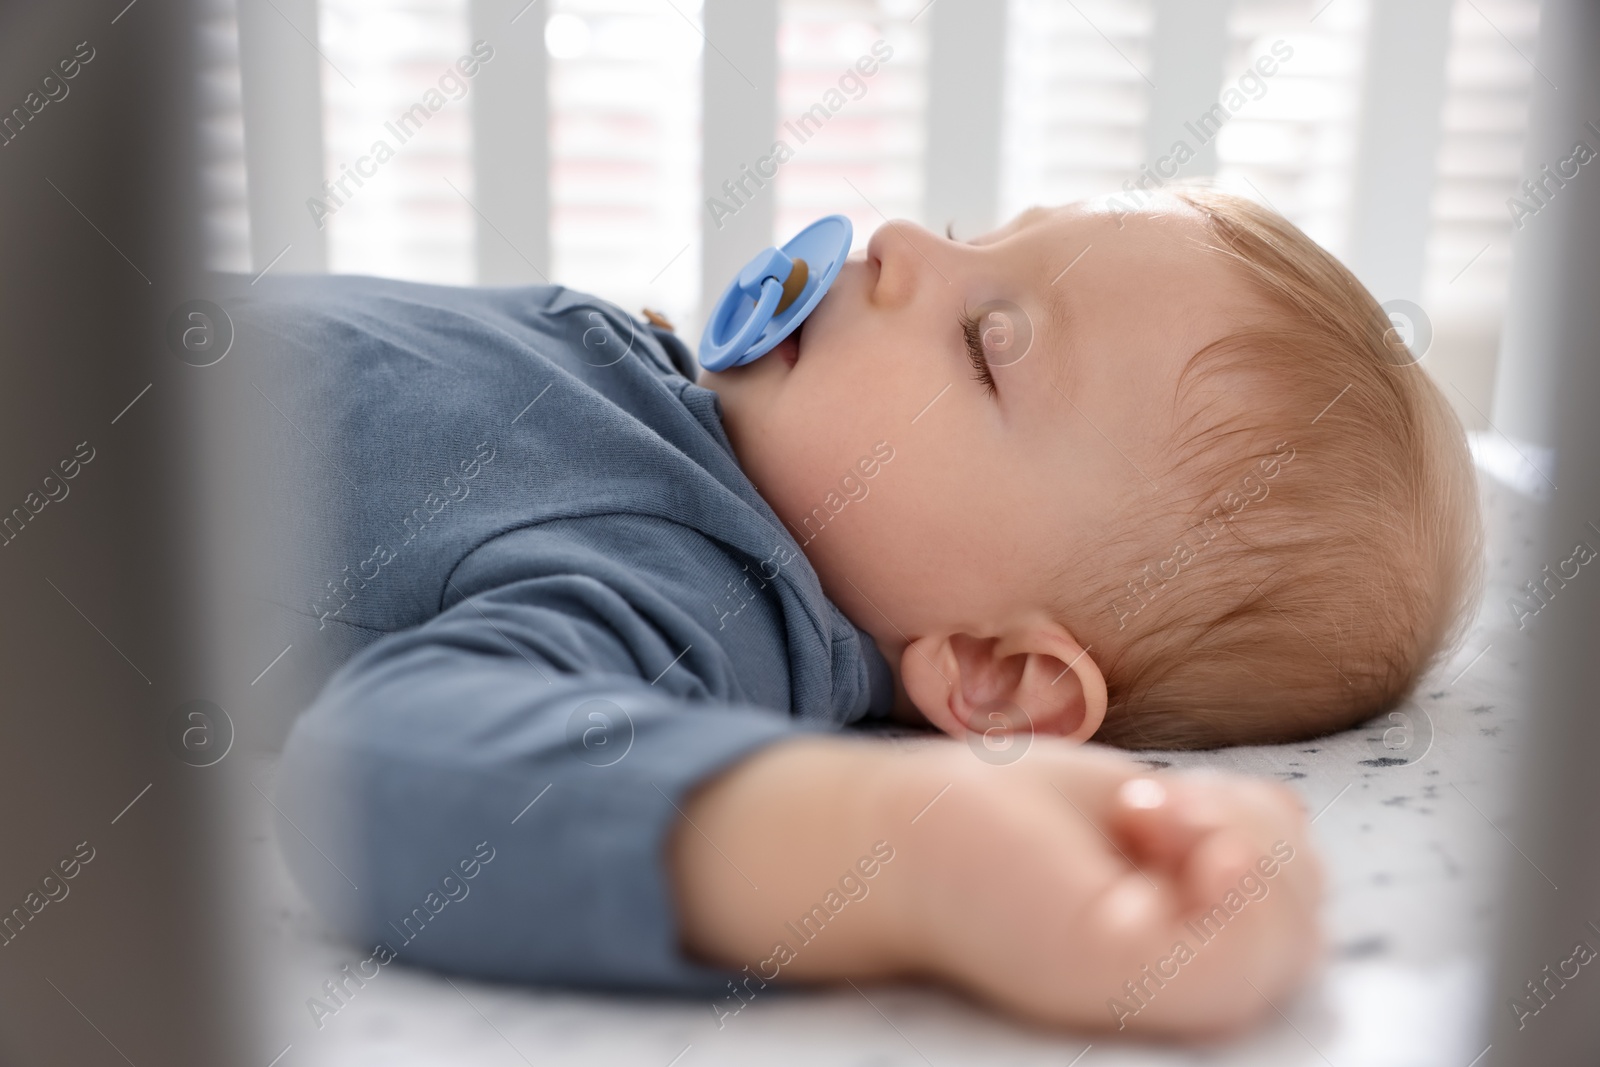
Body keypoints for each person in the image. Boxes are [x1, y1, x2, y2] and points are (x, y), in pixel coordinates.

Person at [251, 184, 1479, 1036]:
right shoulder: (688, 424)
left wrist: (895, 843)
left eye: (987, 340)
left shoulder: (685, 583)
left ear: (995, 673)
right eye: (970, 235)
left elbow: (396, 773)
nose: (899, 240)